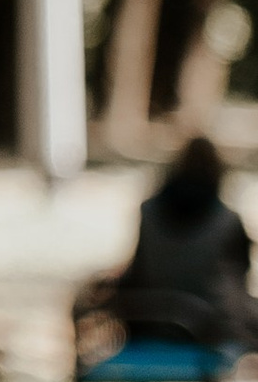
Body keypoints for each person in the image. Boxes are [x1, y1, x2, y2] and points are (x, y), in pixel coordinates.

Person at [94, 133, 256, 353]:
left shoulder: (149, 211)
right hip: (208, 330)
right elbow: (238, 282)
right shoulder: (228, 222)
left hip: (149, 321)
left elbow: (139, 271)